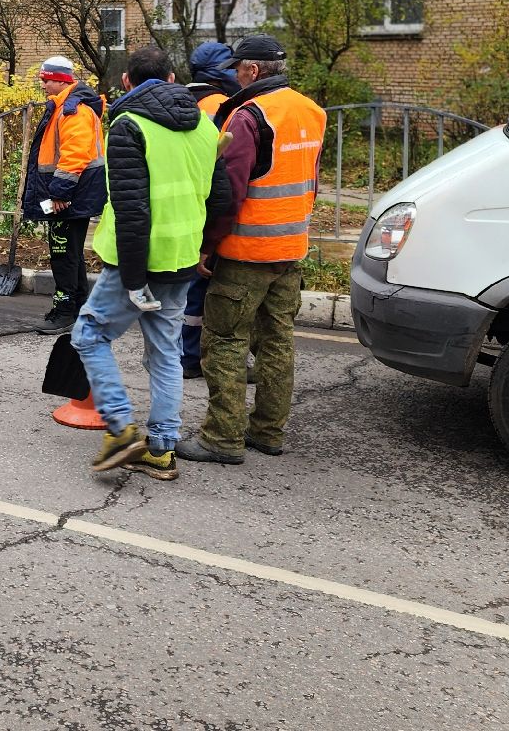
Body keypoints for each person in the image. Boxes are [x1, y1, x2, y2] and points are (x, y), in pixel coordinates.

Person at [78, 45, 232, 482]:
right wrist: (204, 248)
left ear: (127, 82)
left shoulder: (128, 125)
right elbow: (220, 197)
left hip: (138, 262)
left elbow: (131, 210)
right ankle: (161, 450)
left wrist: (131, 277)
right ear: (171, 79)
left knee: (89, 335)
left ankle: (122, 429)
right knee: (165, 352)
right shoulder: (205, 124)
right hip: (182, 259)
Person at [180, 33, 326, 465]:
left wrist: (208, 245)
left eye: (237, 67)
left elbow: (228, 191)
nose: (233, 74)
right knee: (277, 341)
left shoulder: (248, 116)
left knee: (224, 340)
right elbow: (312, 181)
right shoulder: (311, 111)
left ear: (253, 70)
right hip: (291, 248)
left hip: (246, 252)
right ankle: (268, 431)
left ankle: (221, 438)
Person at [21, 55, 105, 334]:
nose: (42, 83)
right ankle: (78, 307)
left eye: (46, 79)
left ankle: (66, 310)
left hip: (67, 197)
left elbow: (74, 155)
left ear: (61, 80)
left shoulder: (73, 110)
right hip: (69, 195)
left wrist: (58, 194)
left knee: (63, 252)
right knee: (69, 252)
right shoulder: (63, 107)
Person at [179, 41, 243, 377]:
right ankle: (193, 356)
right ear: (217, 73)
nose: (237, 72)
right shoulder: (223, 105)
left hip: (183, 204)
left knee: (189, 285)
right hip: (208, 205)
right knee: (201, 285)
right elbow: (224, 165)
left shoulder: (182, 99)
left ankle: (185, 355)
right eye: (231, 67)